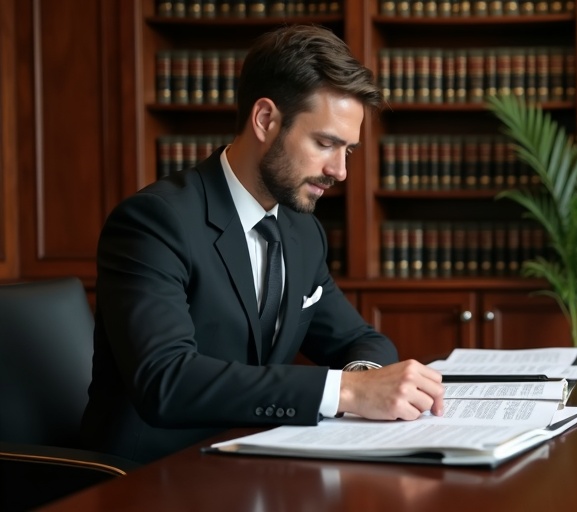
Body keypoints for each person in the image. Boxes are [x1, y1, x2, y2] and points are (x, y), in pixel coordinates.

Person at [82, 25, 446, 463]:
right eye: (325, 143)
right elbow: (166, 380)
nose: (339, 171)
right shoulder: (154, 222)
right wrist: (347, 391)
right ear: (265, 120)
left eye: (347, 150)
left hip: (252, 463)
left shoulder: (302, 231)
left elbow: (359, 338)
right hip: (149, 476)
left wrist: (366, 376)